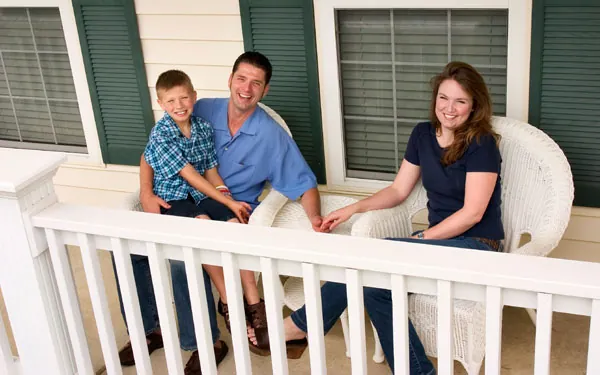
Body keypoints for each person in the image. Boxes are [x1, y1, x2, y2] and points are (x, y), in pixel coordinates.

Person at [250, 61, 504, 375]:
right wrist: (354, 208)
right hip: (437, 245)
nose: (449, 108)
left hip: (477, 246)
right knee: (375, 286)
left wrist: (422, 238)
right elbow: (399, 190)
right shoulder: (423, 134)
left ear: (474, 106)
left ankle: (300, 325)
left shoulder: (481, 143)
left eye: (460, 101)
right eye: (443, 98)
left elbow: (472, 213)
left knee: (372, 259)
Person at [130, 51, 326, 374]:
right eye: (241, 79)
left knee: (184, 260)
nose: (246, 89)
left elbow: (305, 183)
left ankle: (210, 340)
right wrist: (145, 192)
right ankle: (150, 330)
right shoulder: (200, 109)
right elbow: (150, 153)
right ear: (230, 80)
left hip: (226, 207)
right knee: (130, 253)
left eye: (256, 83)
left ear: (265, 91)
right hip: (184, 201)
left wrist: (315, 219)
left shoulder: (271, 135)